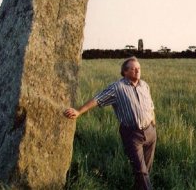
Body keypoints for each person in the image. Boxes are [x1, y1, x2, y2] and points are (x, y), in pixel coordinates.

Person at [64, 57, 156, 190]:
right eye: (133, 68)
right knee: (141, 170)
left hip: (150, 132)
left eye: (138, 68)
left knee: (146, 169)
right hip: (132, 134)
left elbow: (151, 106)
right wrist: (79, 111)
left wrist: (153, 124)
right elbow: (97, 99)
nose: (137, 71)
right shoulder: (117, 88)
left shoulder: (144, 85)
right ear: (124, 72)